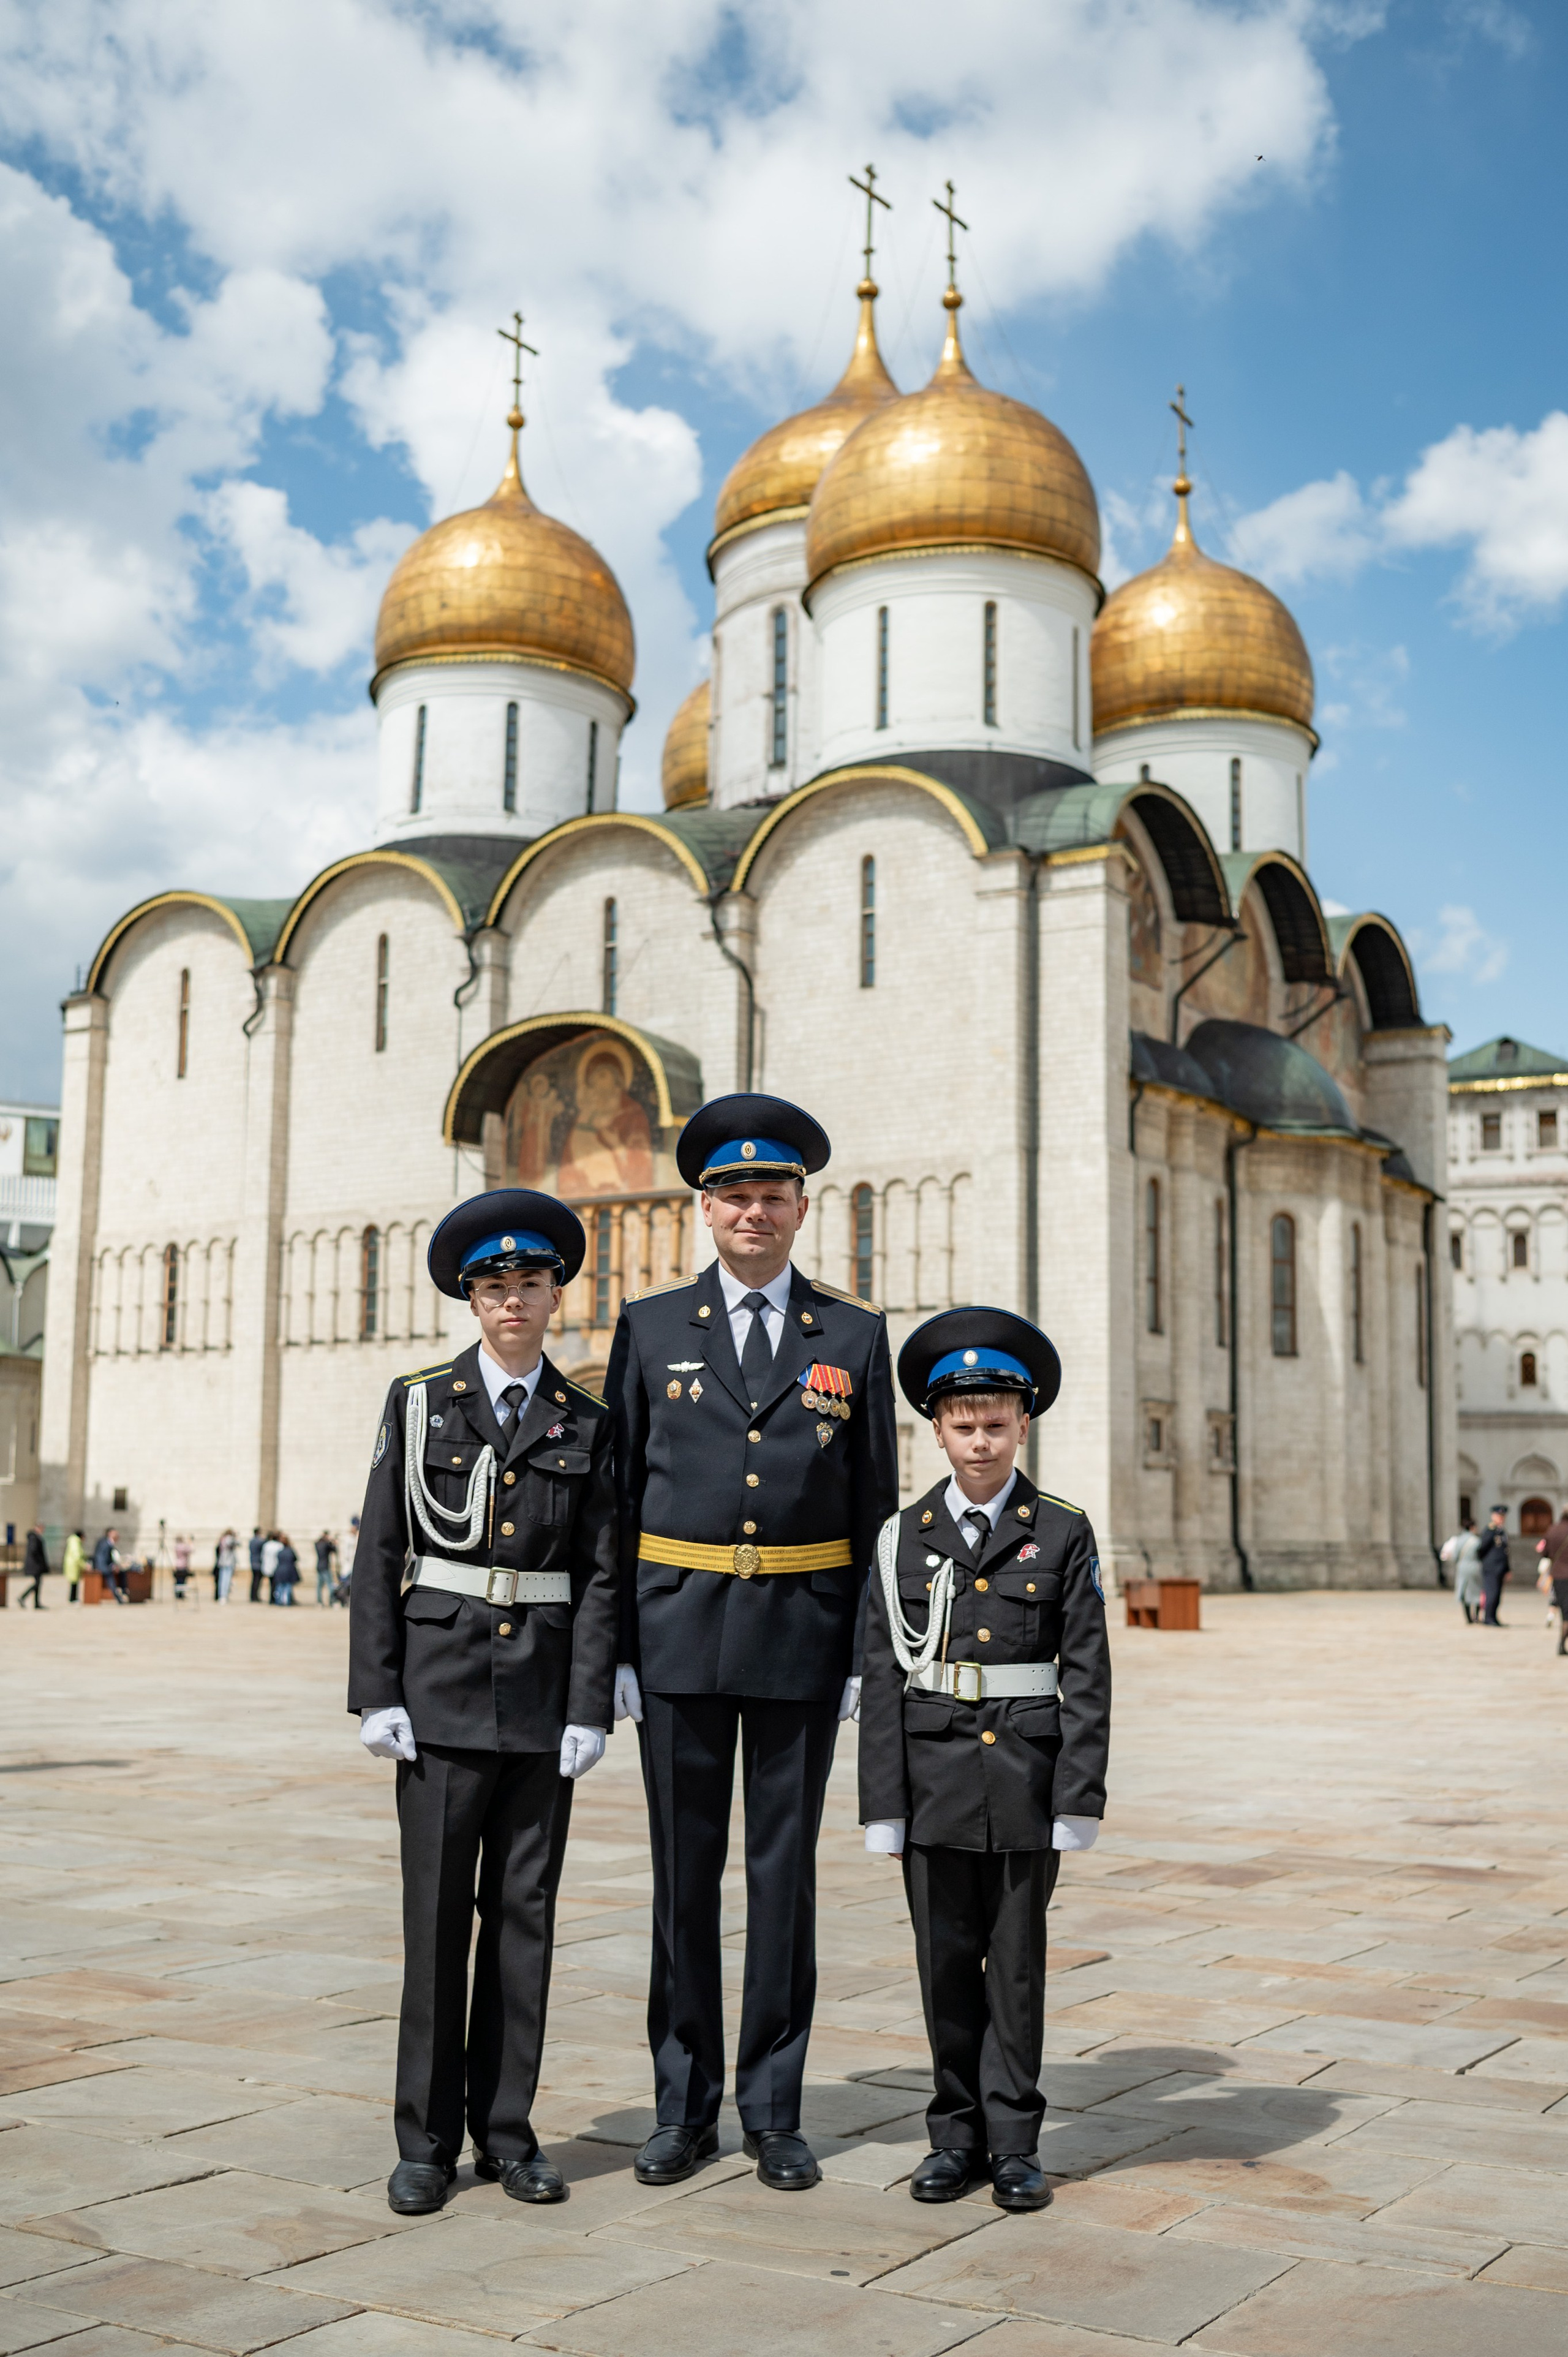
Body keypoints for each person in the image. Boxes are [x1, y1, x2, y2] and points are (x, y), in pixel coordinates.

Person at [605, 1092, 899, 2196]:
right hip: (677, 1636)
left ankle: (775, 2111)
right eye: (734, 1193)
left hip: (801, 1643)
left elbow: (877, 1506)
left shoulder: (856, 1335)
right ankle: (682, 2109)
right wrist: (619, 1649)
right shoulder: (651, 1327)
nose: (754, 1210)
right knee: (683, 1884)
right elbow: (620, 1492)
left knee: (783, 1884)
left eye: (773, 1194)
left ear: (802, 1208)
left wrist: (874, 1655)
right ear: (706, 1207)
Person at [350, 1188, 617, 2218]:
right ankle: (425, 2138)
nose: (513, 1300)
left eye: (530, 1283)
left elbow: (599, 1572)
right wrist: (375, 1689)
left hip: (544, 1701)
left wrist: (591, 1702)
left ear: (556, 1294)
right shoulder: (419, 1402)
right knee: (434, 1923)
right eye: (495, 1285)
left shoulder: (585, 1420)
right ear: (472, 1298)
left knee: (523, 1922)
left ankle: (508, 2132)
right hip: (440, 1693)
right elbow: (380, 1549)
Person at [859, 1309, 1112, 2212]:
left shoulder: (1063, 1531)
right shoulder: (902, 1538)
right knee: (943, 1964)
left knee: (1015, 1967)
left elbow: (1087, 1671)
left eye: (996, 1423)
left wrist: (1079, 1795)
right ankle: (952, 2138)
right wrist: (879, 1803)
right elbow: (883, 1674)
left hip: (1026, 1786)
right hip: (930, 1786)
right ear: (937, 1429)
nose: (980, 1441)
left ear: (1023, 1425)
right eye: (963, 1425)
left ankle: (1014, 2144)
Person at [1535, 1510, 1568, 1657]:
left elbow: (1543, 1552)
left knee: (1565, 1611)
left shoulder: (1552, 1530)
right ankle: (1562, 1643)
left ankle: (1562, 1643)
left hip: (1558, 1575)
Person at [1442, 1521, 1483, 1624]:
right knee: (1477, 1592)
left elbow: (1455, 1556)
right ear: (1473, 1528)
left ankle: (1468, 1618)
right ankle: (1477, 1616)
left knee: (1465, 1593)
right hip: (1475, 1566)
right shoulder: (1476, 1541)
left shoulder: (1458, 1540)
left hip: (1462, 1567)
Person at [1477, 1507, 1510, 1627]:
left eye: (1503, 1517)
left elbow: (1506, 1552)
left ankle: (1493, 1617)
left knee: (1497, 1594)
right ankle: (1488, 1617)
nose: (1501, 1519)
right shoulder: (1490, 1530)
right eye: (1499, 1516)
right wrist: (1487, 1563)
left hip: (1501, 1567)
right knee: (1492, 1592)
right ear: (1493, 1516)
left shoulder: (1502, 1531)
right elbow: (1482, 1548)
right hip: (1491, 1567)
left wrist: (1507, 1569)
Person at [94, 1527, 126, 1604]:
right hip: (103, 1566)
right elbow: (104, 1558)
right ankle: (118, 1596)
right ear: (110, 1534)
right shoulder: (105, 1543)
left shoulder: (107, 1542)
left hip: (104, 1565)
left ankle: (123, 1592)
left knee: (122, 1574)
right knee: (111, 1578)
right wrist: (112, 1566)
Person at [20, 1523, 48, 1608]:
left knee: (38, 1583)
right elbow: (34, 1551)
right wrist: (40, 1562)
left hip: (36, 1565)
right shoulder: (34, 1538)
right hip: (36, 1565)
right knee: (37, 1583)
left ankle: (36, 1603)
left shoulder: (35, 1538)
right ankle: (23, 1597)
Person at [271, 1535, 299, 1605]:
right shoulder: (290, 1551)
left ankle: (279, 1601)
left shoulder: (280, 1551)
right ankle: (287, 1601)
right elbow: (295, 1559)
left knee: (279, 1587)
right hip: (289, 1570)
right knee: (287, 1586)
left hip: (280, 1570)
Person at [315, 1531, 337, 1607]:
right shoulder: (326, 1544)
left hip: (319, 1566)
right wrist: (332, 1542)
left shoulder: (318, 1544)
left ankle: (319, 1602)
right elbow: (334, 1550)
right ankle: (332, 1601)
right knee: (330, 1585)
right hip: (325, 1566)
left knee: (319, 1586)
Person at [62, 1529, 85, 1604]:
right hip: (74, 1565)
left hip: (72, 1564)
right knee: (74, 1582)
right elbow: (77, 1555)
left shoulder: (73, 1541)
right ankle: (72, 1598)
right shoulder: (75, 1542)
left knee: (74, 1582)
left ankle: (73, 1598)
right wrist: (84, 1565)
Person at [215, 1528, 236, 1604]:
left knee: (222, 1580)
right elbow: (237, 1543)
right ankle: (224, 1596)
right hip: (228, 1562)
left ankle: (223, 1595)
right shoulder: (229, 1539)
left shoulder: (222, 1539)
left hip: (223, 1561)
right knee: (226, 1580)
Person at [172, 1534, 192, 1602]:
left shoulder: (176, 1547)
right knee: (183, 1581)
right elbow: (190, 1550)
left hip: (177, 1565)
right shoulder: (183, 1546)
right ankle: (181, 1594)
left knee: (178, 1580)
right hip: (183, 1565)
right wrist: (190, 1543)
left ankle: (178, 1594)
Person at [248, 1528, 265, 1604]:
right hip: (258, 1563)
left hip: (253, 1562)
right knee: (257, 1581)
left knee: (254, 1581)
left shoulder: (251, 1541)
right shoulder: (259, 1541)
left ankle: (253, 1596)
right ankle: (255, 1597)